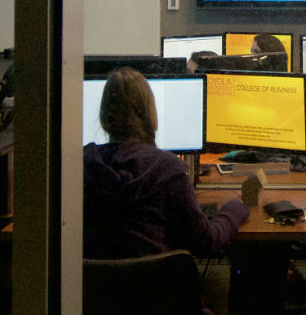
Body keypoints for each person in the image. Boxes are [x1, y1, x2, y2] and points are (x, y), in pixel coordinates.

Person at [84, 67, 250, 260]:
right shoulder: (167, 169)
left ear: (104, 118)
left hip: (94, 287)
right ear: (150, 115)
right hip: (156, 287)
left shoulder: (81, 166)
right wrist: (235, 209)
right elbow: (206, 243)